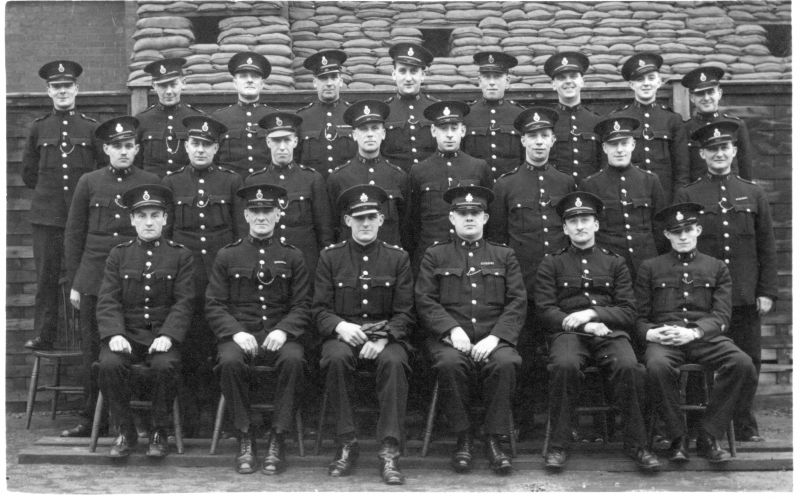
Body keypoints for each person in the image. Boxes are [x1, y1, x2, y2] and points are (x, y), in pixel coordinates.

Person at [534, 191, 660, 472]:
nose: (580, 226)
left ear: (596, 225)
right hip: (567, 334)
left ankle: (637, 444)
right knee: (564, 365)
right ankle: (558, 445)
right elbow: (545, 309)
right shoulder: (552, 262)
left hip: (609, 332)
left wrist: (594, 313)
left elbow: (628, 311)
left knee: (629, 365)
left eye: (585, 220)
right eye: (573, 222)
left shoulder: (615, 262)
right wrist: (582, 323)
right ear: (565, 228)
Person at [674, 121, 777, 443]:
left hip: (745, 294)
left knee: (749, 360)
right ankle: (697, 424)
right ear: (702, 154)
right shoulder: (689, 194)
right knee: (697, 357)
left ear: (734, 151)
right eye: (712, 149)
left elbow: (767, 246)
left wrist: (767, 291)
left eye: (724, 148)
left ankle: (743, 422)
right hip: (705, 298)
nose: (719, 154)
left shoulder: (753, 192)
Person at [415, 185, 526, 475]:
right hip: (450, 339)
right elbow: (425, 299)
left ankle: (494, 438)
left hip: (493, 336)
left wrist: (496, 337)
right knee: (449, 364)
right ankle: (463, 437)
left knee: (507, 362)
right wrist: (451, 330)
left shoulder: (504, 255)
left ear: (486, 218)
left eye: (475, 213)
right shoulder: (435, 256)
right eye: (462, 213)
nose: (469, 218)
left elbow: (517, 301)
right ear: (451, 218)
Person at [61, 116, 160, 438]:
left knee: (136, 348)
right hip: (93, 277)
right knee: (94, 352)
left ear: (137, 148)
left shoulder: (149, 180)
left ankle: (138, 419)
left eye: (128, 146)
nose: (123, 151)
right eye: (116, 146)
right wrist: (76, 282)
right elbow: (75, 233)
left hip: (135, 277)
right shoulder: (89, 182)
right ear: (106, 149)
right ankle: (92, 419)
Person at [635, 202, 757, 463]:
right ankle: (678, 437)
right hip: (665, 338)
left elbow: (722, 315)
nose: (682, 237)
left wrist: (695, 333)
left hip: (703, 337)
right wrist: (651, 334)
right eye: (675, 232)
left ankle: (709, 434)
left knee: (742, 363)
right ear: (666, 235)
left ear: (698, 230)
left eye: (688, 230)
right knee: (655, 366)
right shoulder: (650, 267)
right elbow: (639, 318)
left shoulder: (717, 267)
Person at [205, 183, 310, 475]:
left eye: (268, 211)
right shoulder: (228, 255)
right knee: (228, 360)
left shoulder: (293, 256)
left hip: (279, 334)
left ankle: (278, 435)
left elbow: (303, 305)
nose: (261, 217)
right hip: (240, 333)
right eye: (255, 211)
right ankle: (245, 434)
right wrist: (236, 332)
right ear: (246, 215)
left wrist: (284, 330)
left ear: (278, 214)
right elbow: (214, 303)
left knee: (293, 360)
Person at [313, 185, 414, 485]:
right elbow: (318, 309)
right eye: (359, 218)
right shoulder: (330, 257)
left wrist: (384, 338)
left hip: (386, 337)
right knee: (334, 359)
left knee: (395, 363)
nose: (365, 223)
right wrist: (340, 327)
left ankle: (389, 450)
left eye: (371, 217)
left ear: (381, 220)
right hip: (345, 335)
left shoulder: (398, 258)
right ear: (347, 222)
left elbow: (406, 312)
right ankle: (346, 442)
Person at [487, 106, 576, 434]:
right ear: (522, 140)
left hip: (560, 286)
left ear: (553, 140)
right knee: (521, 353)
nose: (539, 142)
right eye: (532, 136)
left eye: (545, 136)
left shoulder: (566, 183)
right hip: (521, 284)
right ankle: (523, 421)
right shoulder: (506, 185)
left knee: (564, 351)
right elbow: (498, 239)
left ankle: (563, 424)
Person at [95, 184, 194, 458]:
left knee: (166, 365)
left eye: (154, 215)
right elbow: (108, 300)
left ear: (165, 218)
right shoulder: (119, 254)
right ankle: (125, 431)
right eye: (142, 216)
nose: (148, 222)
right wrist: (115, 334)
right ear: (132, 220)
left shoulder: (180, 255)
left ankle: (159, 431)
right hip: (126, 334)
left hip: (162, 335)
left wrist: (169, 336)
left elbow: (184, 301)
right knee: (109, 364)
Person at [161, 115, 245, 435]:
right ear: (186, 146)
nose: (200, 150)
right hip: (186, 282)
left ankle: (223, 419)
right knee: (190, 349)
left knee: (221, 347)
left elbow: (240, 235)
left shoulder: (231, 182)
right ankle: (192, 417)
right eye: (195, 144)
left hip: (222, 283)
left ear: (217, 147)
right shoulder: (171, 183)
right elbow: (167, 237)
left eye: (206, 145)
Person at [22, 60, 102, 351]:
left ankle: (89, 334)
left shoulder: (90, 128)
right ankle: (45, 333)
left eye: (67, 86)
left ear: (77, 89)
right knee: (47, 278)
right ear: (48, 91)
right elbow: (28, 174)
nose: (63, 91)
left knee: (86, 276)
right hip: (47, 216)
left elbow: (100, 171)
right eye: (57, 87)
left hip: (82, 218)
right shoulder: (38, 128)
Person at [247, 111, 334, 280]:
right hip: (267, 260)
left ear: (295, 141)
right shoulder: (255, 181)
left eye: (286, 140)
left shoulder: (312, 179)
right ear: (267, 142)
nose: (282, 146)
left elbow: (324, 229)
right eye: (276, 140)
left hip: (306, 260)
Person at [406, 101, 493, 269]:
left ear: (463, 131)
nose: (449, 135)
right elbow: (412, 222)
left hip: (471, 257)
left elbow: (489, 217)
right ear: (433, 131)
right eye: (443, 129)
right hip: (430, 257)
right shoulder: (419, 171)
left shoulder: (479, 167)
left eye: (454, 128)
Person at [579, 117, 666, 280]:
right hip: (608, 267)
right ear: (604, 148)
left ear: (633, 145)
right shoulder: (590, 185)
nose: (619, 150)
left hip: (646, 264)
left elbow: (660, 227)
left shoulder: (650, 180)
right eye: (613, 144)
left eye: (624, 143)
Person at [327, 100, 408, 246]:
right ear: (354, 135)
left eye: (375, 128)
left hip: (389, 259)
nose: (370, 134)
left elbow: (406, 225)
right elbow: (333, 225)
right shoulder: (338, 177)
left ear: (383, 134)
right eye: (364, 129)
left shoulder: (399, 177)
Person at [610, 53, 689, 202]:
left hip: (665, 198)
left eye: (651, 78)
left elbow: (682, 170)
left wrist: (677, 203)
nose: (646, 83)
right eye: (640, 79)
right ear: (632, 85)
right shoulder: (619, 118)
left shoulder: (672, 119)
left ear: (659, 82)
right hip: (630, 197)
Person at [211, 52, 276, 179]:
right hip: (230, 187)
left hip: (266, 184)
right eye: (243, 76)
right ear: (235, 83)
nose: (250, 80)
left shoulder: (274, 116)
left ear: (262, 84)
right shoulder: (219, 118)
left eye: (255, 76)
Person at [681, 66, 752, 181]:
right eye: (700, 94)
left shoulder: (736, 125)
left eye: (710, 92)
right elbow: (682, 171)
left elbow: (746, 169)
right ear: (692, 98)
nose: (706, 98)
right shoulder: (684, 129)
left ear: (719, 93)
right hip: (698, 194)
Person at [135, 57, 203, 178]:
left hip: (186, 189)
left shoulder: (197, 118)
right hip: (153, 189)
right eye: (162, 86)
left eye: (173, 84)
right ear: (153, 86)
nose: (169, 91)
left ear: (184, 83)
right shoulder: (142, 120)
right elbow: (136, 164)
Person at [296, 49, 356, 178]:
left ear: (340, 81)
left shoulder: (353, 114)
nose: (329, 83)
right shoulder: (302, 118)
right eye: (323, 78)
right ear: (314, 82)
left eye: (333, 77)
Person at [462, 51, 523, 179]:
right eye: (487, 77)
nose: (491, 82)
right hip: (477, 187)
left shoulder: (520, 115)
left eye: (497, 77)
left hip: (510, 187)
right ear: (479, 81)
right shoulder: (466, 114)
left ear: (507, 81)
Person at [543, 51, 602, 182]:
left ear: (582, 81)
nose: (568, 81)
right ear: (553, 84)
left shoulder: (597, 121)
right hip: (556, 193)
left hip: (590, 193)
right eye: (562, 77)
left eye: (573, 76)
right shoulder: (546, 122)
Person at [381, 42, 438, 171]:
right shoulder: (383, 111)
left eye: (413, 71)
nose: (408, 78)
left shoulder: (435, 108)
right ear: (393, 74)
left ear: (422, 76)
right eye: (402, 71)